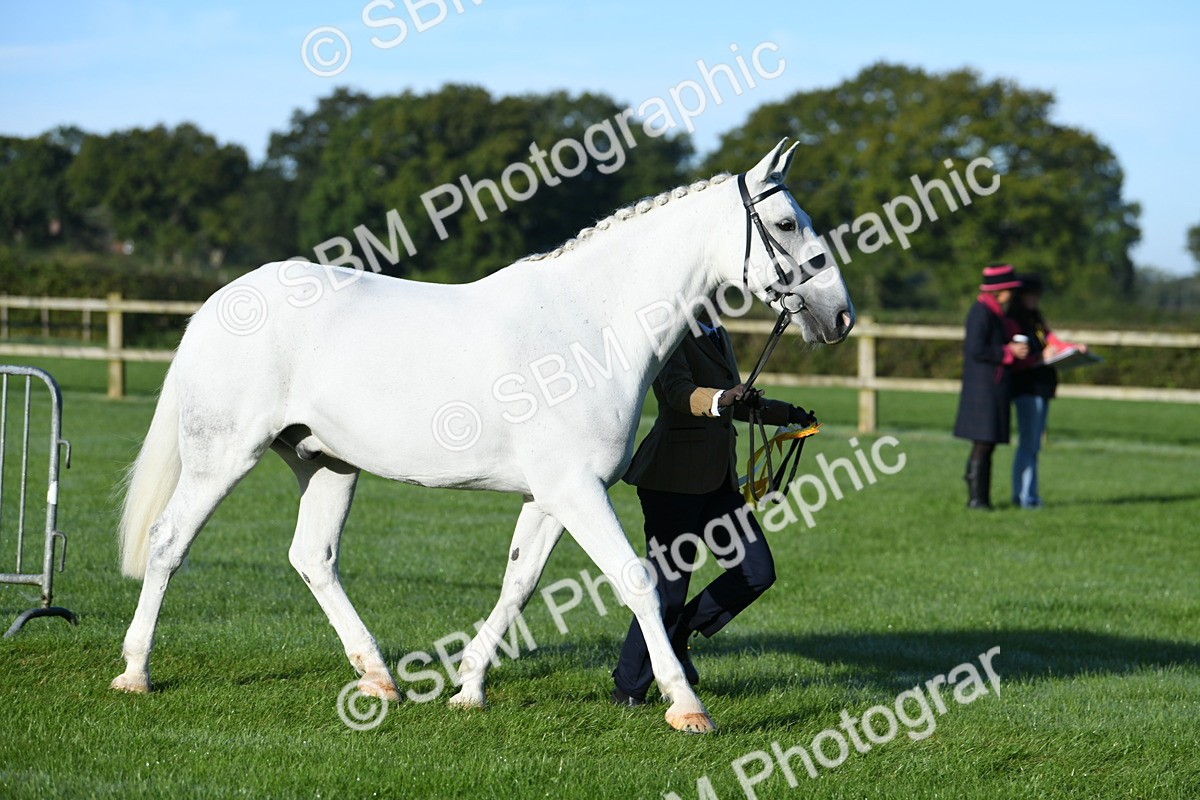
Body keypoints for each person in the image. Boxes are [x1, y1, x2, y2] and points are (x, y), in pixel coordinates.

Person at [610, 307, 814, 706]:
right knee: (667, 589)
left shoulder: (715, 330)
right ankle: (628, 687)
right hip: (672, 480)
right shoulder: (670, 333)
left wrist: (783, 413)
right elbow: (678, 393)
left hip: (718, 481)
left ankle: (681, 633)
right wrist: (723, 396)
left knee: (756, 572)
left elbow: (731, 402)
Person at [952, 264, 1029, 509]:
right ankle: (977, 498)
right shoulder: (981, 312)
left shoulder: (994, 312)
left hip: (992, 386)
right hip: (983, 387)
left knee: (987, 442)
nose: (1012, 294)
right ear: (1000, 290)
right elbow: (975, 349)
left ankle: (979, 495)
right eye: (1009, 289)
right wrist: (1008, 351)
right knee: (983, 442)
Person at [1007, 273, 1086, 509]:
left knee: (1034, 444)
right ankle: (1024, 497)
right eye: (1033, 295)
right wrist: (1039, 357)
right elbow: (1019, 356)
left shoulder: (1035, 318)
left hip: (1042, 386)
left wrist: (1073, 349)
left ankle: (1029, 495)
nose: (1036, 299)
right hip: (1027, 387)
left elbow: (1052, 341)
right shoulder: (1014, 320)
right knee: (1029, 443)